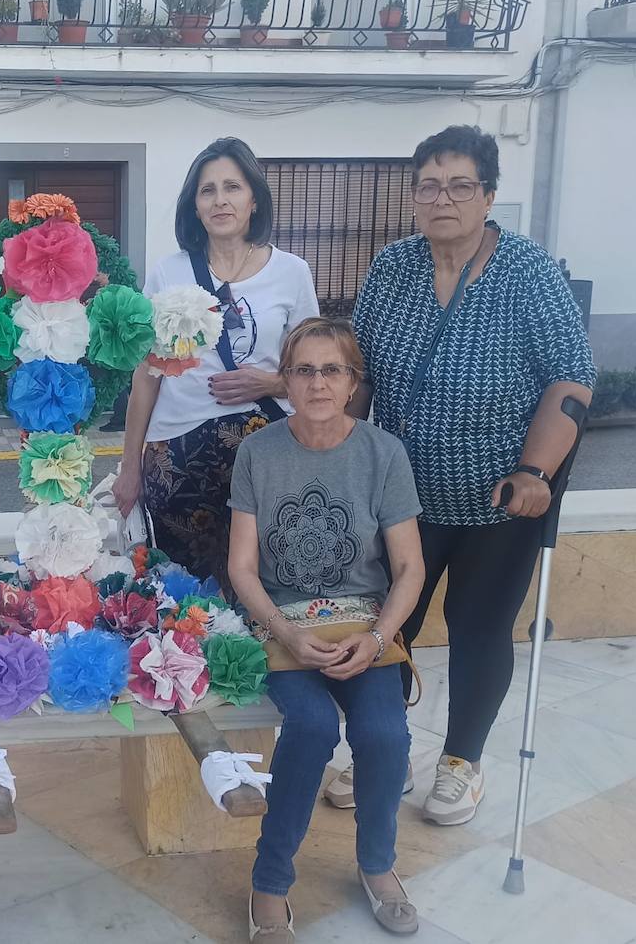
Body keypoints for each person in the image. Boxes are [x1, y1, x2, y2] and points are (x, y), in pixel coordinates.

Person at [341, 125, 595, 826]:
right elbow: (360, 375)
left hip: (500, 498)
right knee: (389, 625)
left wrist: (535, 469)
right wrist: (342, 454)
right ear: (413, 195)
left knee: (480, 628)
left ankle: (461, 761)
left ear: (488, 195)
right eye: (429, 183)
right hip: (402, 497)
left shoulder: (528, 270)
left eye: (459, 184)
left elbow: (570, 380)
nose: (442, 197)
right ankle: (380, 750)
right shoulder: (392, 267)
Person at [229, 318, 426, 940]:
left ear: (352, 382)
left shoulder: (382, 452)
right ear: (285, 380)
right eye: (304, 370)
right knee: (312, 727)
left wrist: (376, 638)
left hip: (367, 627)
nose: (318, 383)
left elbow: (409, 566)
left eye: (332, 370)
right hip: (283, 628)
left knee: (384, 734)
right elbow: (241, 565)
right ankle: (270, 881)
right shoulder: (257, 453)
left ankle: (378, 865)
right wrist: (285, 633)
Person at [113, 137, 320, 596]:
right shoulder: (169, 272)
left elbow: (315, 368)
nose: (220, 200)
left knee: (267, 588)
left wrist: (269, 381)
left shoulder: (291, 272)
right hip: (176, 458)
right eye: (208, 190)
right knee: (184, 597)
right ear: (195, 204)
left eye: (233, 187)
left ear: (254, 199)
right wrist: (130, 467)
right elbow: (145, 378)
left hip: (264, 456)